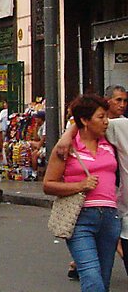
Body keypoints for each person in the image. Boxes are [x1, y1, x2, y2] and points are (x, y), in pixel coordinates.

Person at [45, 95, 120, 292]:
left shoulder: (110, 140)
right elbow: (48, 184)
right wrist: (80, 185)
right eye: (101, 117)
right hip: (80, 219)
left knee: (103, 279)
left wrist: (70, 130)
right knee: (92, 278)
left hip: (110, 218)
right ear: (86, 121)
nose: (106, 122)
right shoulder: (66, 148)